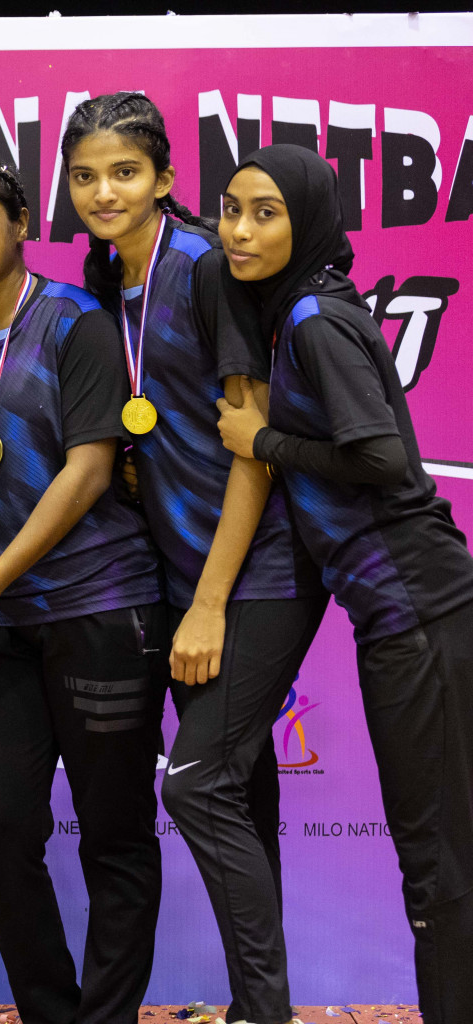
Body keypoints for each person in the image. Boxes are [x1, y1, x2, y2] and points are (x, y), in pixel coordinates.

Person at [61, 93, 327, 1024]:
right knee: (243, 798)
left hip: (258, 569)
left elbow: (252, 448)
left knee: (201, 782)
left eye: (125, 172)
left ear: (166, 180)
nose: (104, 191)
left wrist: (209, 604)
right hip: (179, 571)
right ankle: (264, 1003)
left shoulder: (206, 270)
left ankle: (265, 1010)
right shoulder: (103, 276)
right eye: (86, 175)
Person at [0, 155, 164, 1024]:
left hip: (99, 607)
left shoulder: (77, 321)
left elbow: (89, 468)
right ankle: (52, 1010)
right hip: (0, 623)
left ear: (17, 222)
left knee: (115, 836)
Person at [214, 143, 473, 1024]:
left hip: (420, 610)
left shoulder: (318, 320)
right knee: (438, 853)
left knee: (437, 860)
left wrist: (263, 443)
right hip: (401, 613)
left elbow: (382, 458)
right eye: (231, 208)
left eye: (266, 213)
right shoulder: (302, 311)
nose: (239, 230)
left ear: (309, 221)